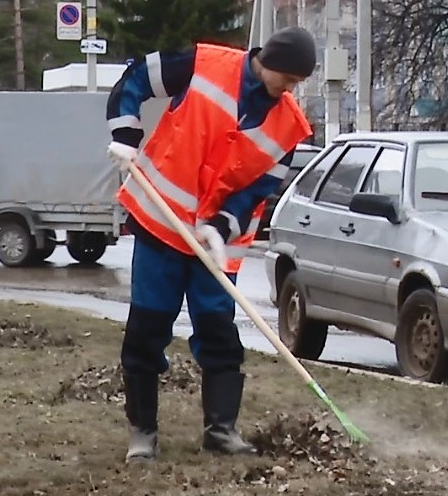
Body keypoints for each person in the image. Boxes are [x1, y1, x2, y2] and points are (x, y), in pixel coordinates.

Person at [105, 28, 316, 462]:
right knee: (147, 329)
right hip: (161, 222)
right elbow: (135, 80)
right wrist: (126, 134)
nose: (291, 89)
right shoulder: (202, 65)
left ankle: (221, 429)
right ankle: (143, 433)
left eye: (297, 82)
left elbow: (259, 188)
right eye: (289, 78)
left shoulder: (289, 126)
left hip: (217, 246)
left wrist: (221, 225)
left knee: (219, 332)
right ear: (269, 61)